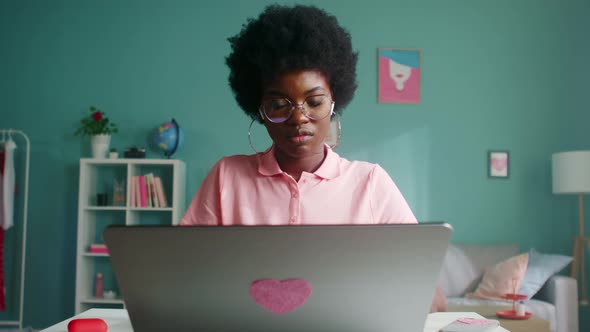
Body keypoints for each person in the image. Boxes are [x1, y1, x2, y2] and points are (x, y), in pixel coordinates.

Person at [179, 4, 447, 312]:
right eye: (279, 104)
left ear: (334, 104)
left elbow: (432, 296)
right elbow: (183, 272)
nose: (298, 118)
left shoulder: (370, 182)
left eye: (314, 101)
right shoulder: (226, 176)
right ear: (259, 111)